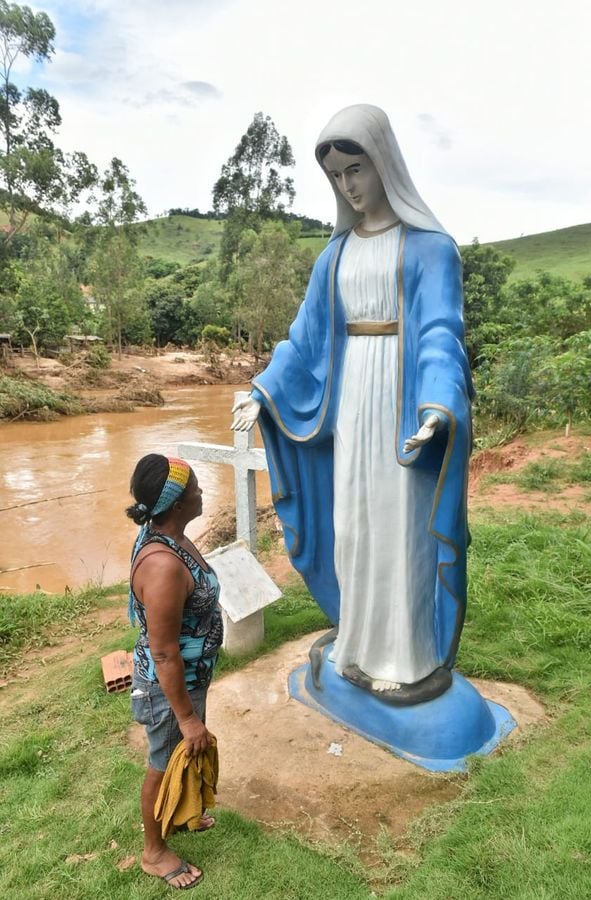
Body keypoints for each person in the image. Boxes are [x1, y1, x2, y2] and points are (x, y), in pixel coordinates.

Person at [232, 104, 473, 705]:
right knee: (356, 526)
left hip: (399, 405)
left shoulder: (430, 249)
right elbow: (305, 337)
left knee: (400, 530)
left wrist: (437, 406)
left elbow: (442, 332)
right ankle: (359, 647)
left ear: (383, 162)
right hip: (350, 409)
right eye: (337, 176)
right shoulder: (333, 256)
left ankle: (409, 659)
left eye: (356, 168)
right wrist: (264, 391)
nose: (348, 186)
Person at [126, 454, 223, 889]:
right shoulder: (163, 565)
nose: (201, 493)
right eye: (195, 489)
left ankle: (183, 813)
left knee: (185, 753)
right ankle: (154, 852)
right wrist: (186, 716)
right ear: (177, 504)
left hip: (187, 679)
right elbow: (164, 654)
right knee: (163, 762)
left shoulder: (173, 537)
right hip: (167, 689)